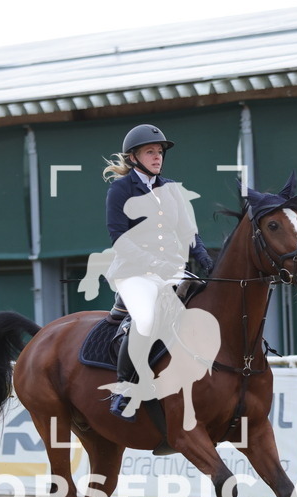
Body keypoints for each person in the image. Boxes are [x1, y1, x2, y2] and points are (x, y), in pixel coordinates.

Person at [82, 124, 213, 420]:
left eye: (159, 152)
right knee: (146, 316)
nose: (157, 157)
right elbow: (119, 238)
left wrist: (205, 259)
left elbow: (188, 232)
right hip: (134, 272)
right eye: (150, 152)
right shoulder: (120, 190)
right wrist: (155, 265)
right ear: (133, 158)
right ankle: (125, 388)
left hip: (171, 271)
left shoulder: (171, 189)